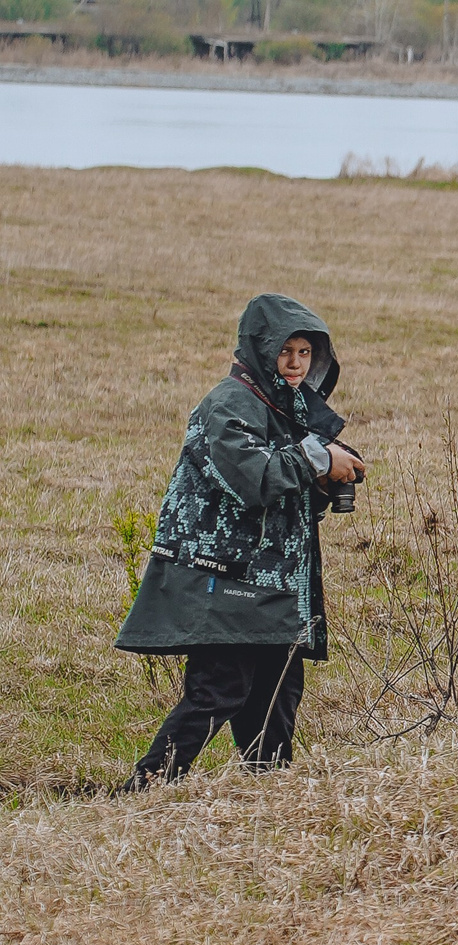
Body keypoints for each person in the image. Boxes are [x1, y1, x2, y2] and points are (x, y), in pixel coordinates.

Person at [113, 295, 365, 789]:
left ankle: (266, 796)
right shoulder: (227, 405)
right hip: (221, 577)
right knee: (219, 689)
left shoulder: (285, 407)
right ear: (257, 350)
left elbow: (282, 503)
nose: (295, 363)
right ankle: (143, 789)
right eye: (285, 351)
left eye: (306, 353)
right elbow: (255, 480)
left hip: (268, 580)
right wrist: (316, 459)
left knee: (277, 691)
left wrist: (320, 483)